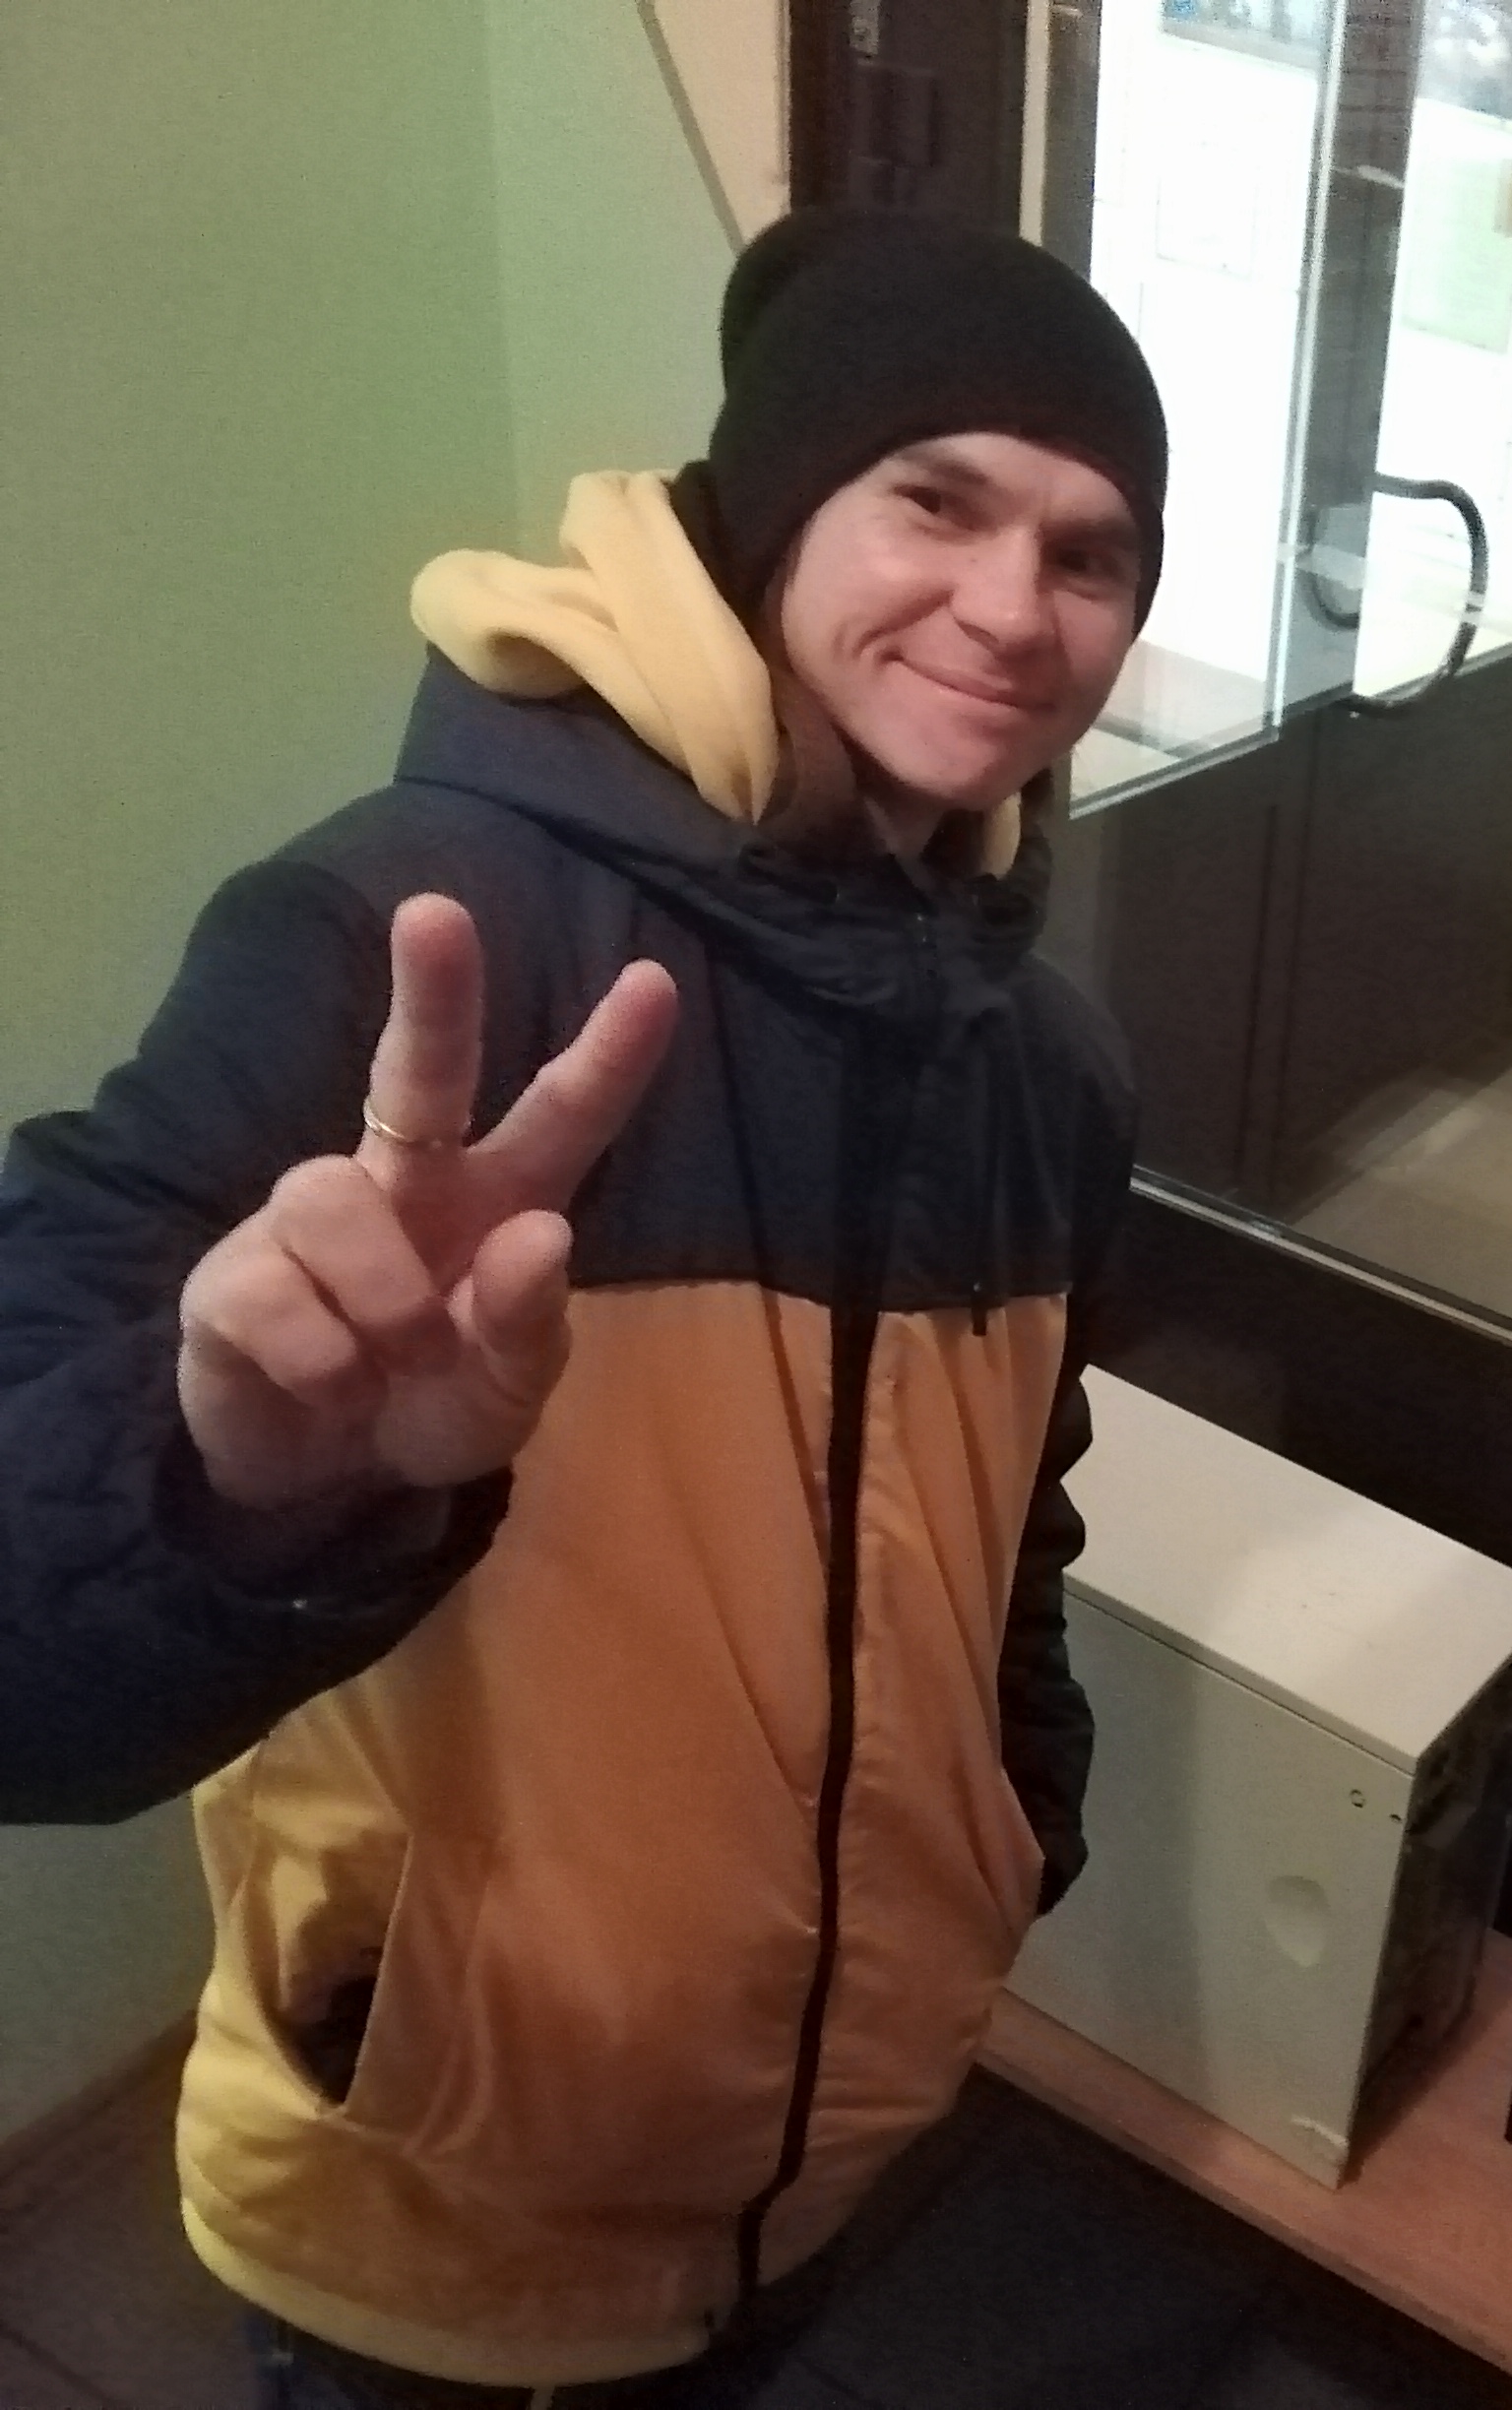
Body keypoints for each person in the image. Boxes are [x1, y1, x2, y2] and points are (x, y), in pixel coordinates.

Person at [0, 208, 1164, 2401]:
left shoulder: (1050, 1071)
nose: (1016, 607)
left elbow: (1018, 1522)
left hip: (813, 2166)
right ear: (773, 514)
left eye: (1089, 553)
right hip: (422, 2199)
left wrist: (1014, 1819)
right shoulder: (399, 935)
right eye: (936, 501)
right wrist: (231, 1482)